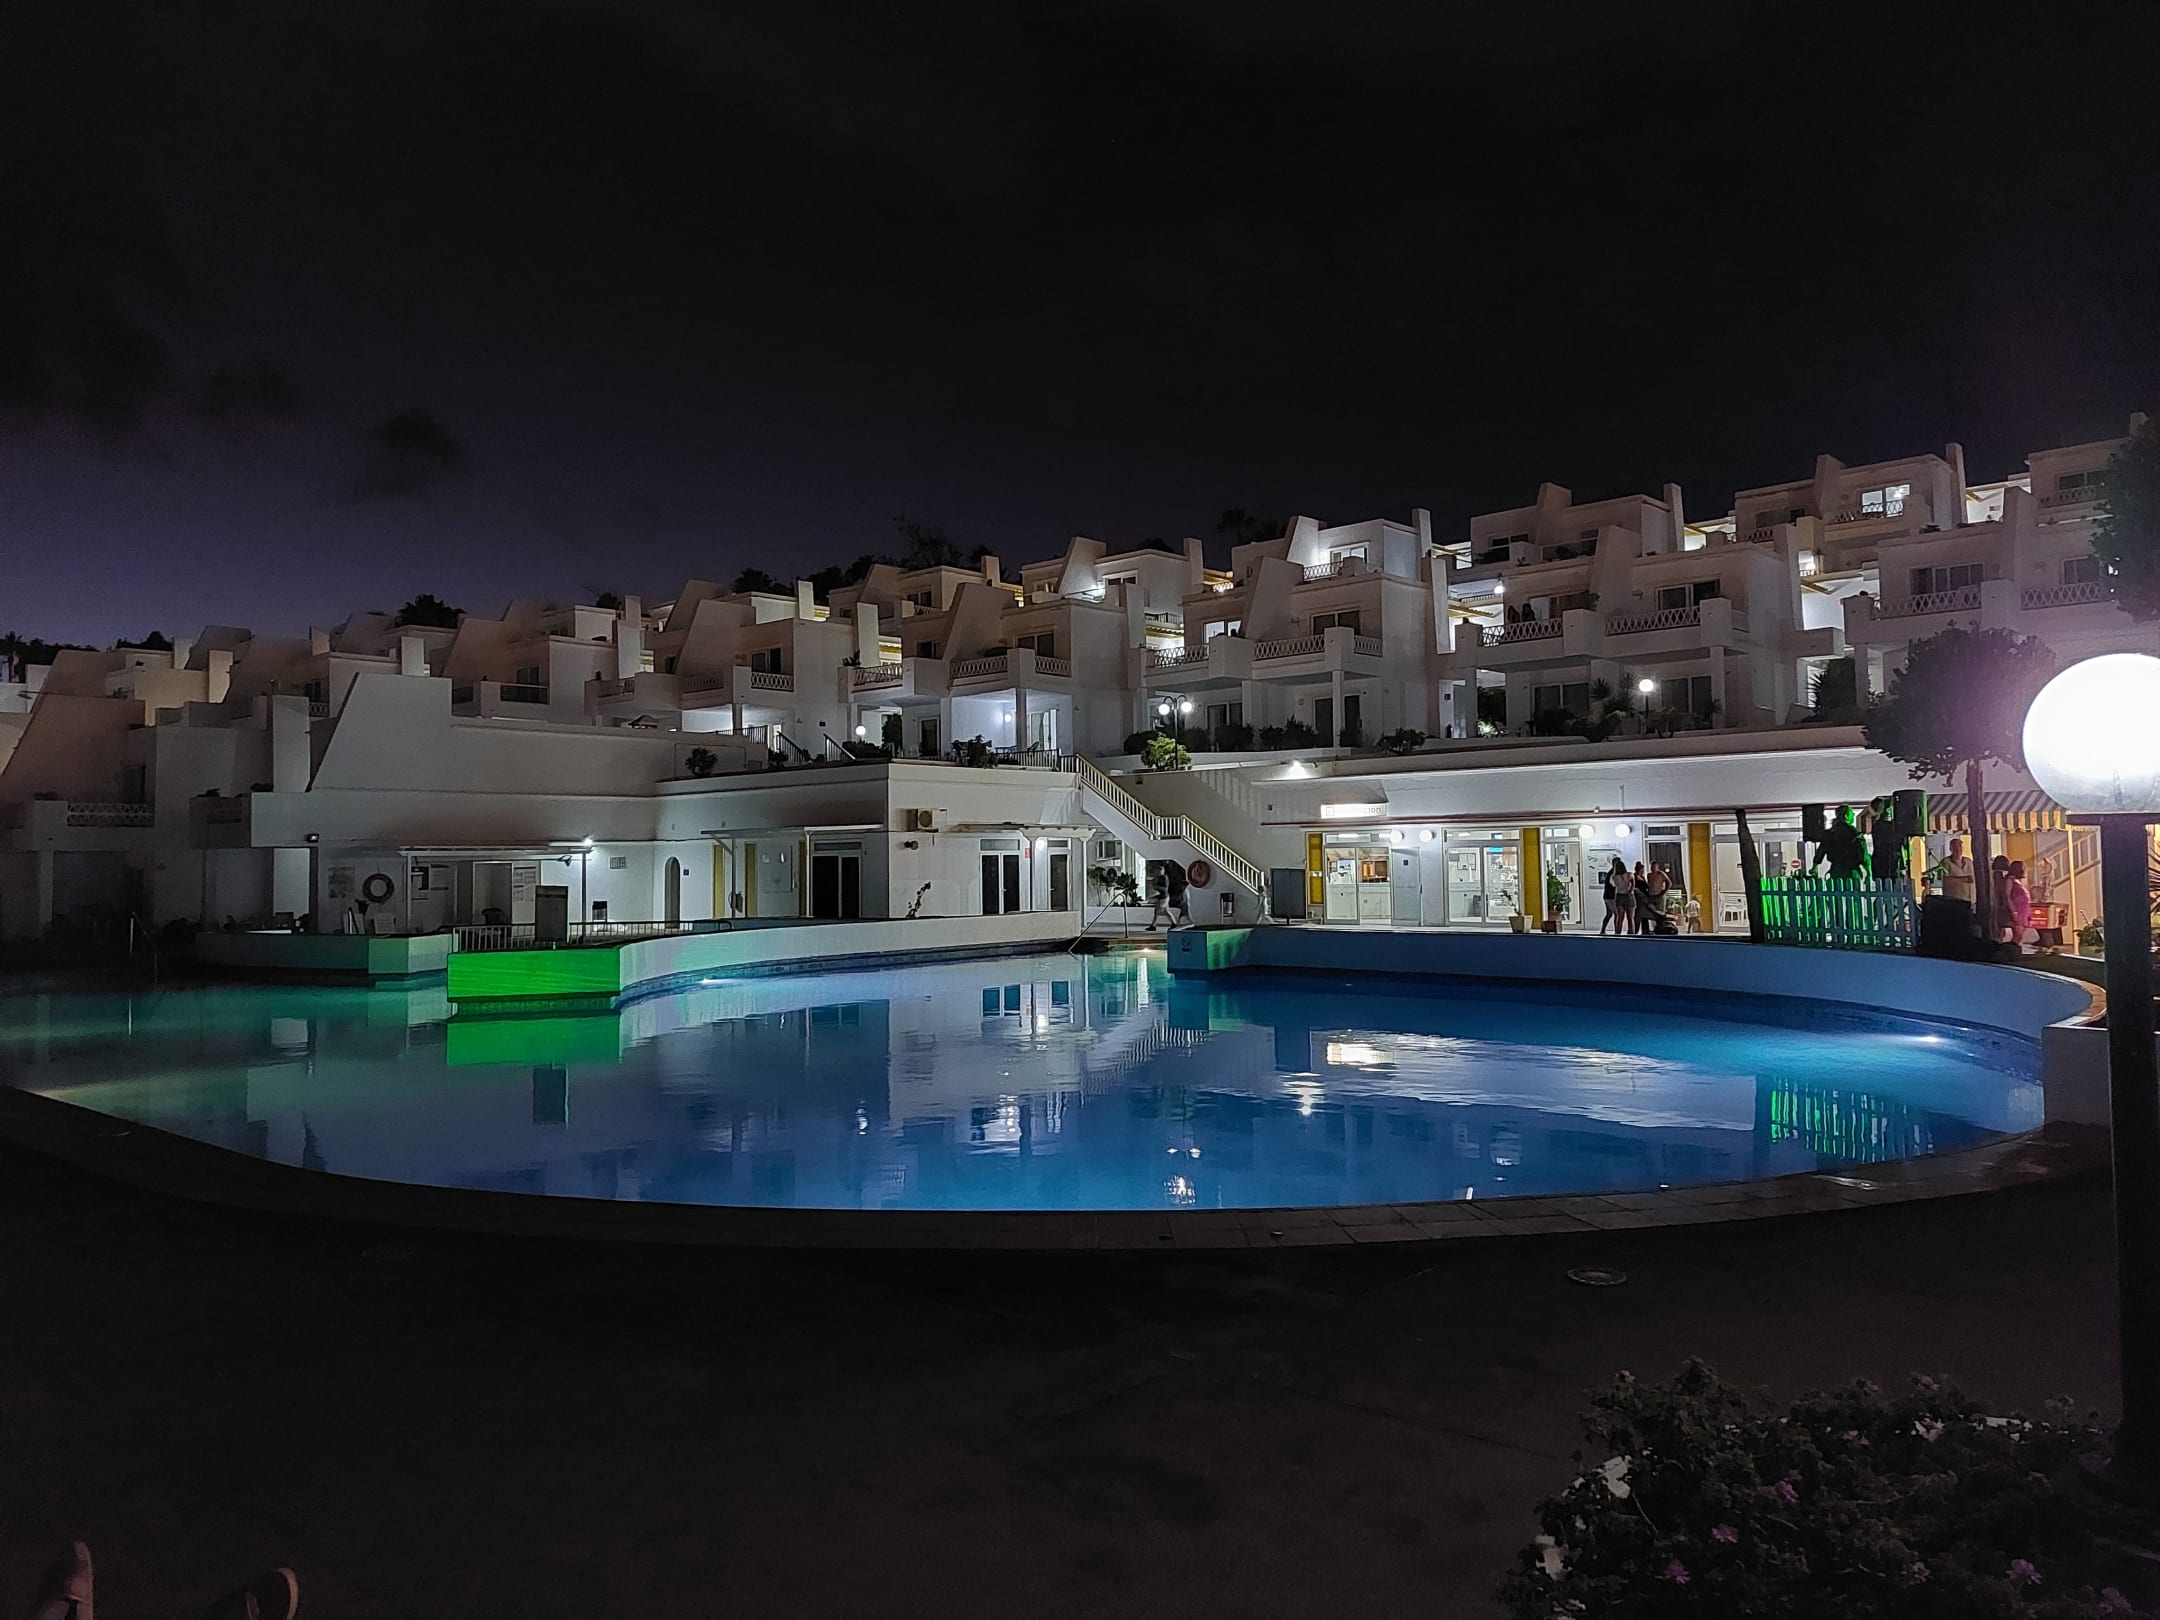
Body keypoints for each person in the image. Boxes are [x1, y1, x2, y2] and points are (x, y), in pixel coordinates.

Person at [2005, 859, 2033, 949]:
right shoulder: (2010, 880)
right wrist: (2013, 911)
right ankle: (2011, 950)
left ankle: (2016, 949)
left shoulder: (2019, 880)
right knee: (2018, 935)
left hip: (2024, 910)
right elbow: (2007, 895)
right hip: (2017, 909)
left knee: (2020, 935)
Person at [1939, 837, 1975, 905]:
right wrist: (1963, 879)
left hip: (1971, 899)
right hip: (1954, 900)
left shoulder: (1969, 861)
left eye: (1960, 847)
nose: (1958, 849)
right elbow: (1944, 878)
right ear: (1951, 849)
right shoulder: (1945, 862)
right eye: (1955, 847)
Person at [1610, 858, 1637, 936]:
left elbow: (1613, 885)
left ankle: (1618, 934)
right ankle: (1632, 934)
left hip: (1620, 896)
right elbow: (1633, 884)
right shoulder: (1629, 874)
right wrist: (1630, 890)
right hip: (1629, 896)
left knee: (1620, 918)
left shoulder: (1614, 877)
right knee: (1630, 918)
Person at [1599, 857, 1621, 935]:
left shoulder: (1611, 872)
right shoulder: (1613, 873)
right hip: (1610, 897)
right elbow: (1613, 885)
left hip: (1607, 896)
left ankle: (1603, 930)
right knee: (1616, 914)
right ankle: (1616, 931)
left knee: (1609, 914)